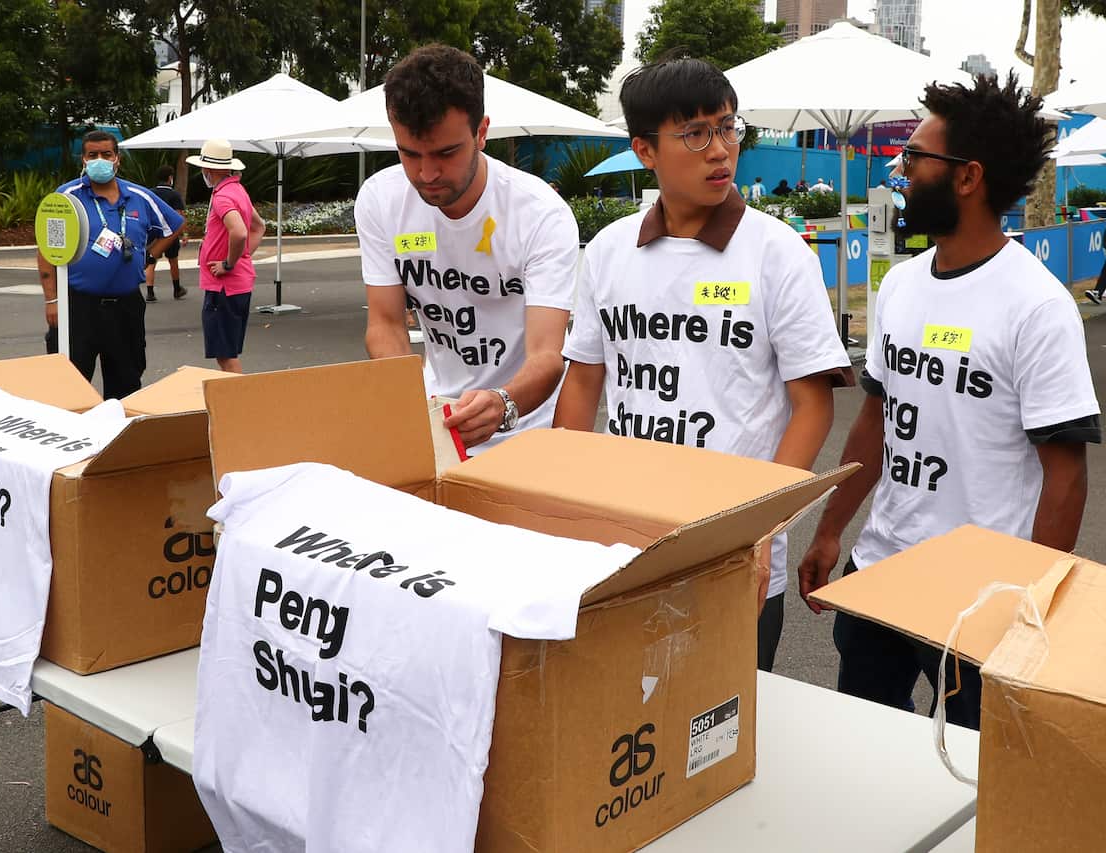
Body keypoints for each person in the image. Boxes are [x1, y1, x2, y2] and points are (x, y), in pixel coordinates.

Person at [797, 73, 1100, 730]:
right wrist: (829, 528)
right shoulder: (902, 285)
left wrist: (1032, 605)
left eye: (914, 156)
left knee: (967, 782)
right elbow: (873, 424)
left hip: (981, 595)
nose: (900, 169)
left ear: (967, 177)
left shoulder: (1038, 306)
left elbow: (1066, 474)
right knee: (868, 762)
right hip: (882, 569)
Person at [553, 56, 853, 672]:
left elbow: (812, 405)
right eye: (695, 134)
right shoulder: (608, 252)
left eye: (727, 127)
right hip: (624, 541)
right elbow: (582, 382)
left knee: (721, 733)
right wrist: (562, 504)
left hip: (733, 549)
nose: (720, 150)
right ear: (646, 150)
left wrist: (763, 526)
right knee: (620, 716)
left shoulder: (776, 253)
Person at [356, 44, 578, 452]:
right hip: (435, 420)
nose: (426, 173)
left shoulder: (540, 214)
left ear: (481, 132)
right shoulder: (380, 200)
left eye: (445, 153)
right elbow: (385, 325)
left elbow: (548, 354)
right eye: (409, 153)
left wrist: (503, 402)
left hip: (526, 430)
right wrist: (406, 404)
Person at [37, 130, 184, 399]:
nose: (99, 160)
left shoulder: (139, 196)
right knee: (69, 386)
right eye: (92, 155)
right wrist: (51, 301)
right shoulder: (66, 197)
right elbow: (47, 250)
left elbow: (175, 225)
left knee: (126, 385)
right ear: (83, 159)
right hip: (78, 307)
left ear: (117, 159)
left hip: (126, 308)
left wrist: (150, 256)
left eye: (106, 154)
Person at [187, 139, 265, 374]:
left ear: (208, 169)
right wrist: (242, 258)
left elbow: (240, 231)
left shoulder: (222, 197)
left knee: (225, 356)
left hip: (224, 287)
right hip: (237, 284)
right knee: (228, 351)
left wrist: (229, 263)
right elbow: (258, 227)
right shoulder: (237, 190)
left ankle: (237, 404)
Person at [145, 165, 187, 303]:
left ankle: (150, 292)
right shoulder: (174, 195)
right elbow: (179, 216)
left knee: (151, 261)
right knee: (173, 260)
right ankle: (176, 289)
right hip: (170, 233)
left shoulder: (150, 193)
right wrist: (183, 234)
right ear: (170, 178)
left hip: (153, 232)